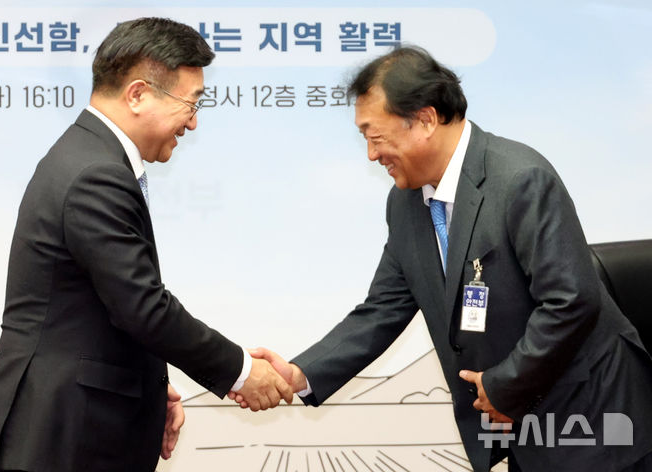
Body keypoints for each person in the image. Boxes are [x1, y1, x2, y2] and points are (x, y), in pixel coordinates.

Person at [234, 46, 652, 471]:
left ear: (426, 120)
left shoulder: (519, 180)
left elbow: (571, 300)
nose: (371, 155)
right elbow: (382, 310)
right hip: (521, 421)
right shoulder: (406, 203)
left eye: (375, 137)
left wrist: (504, 385)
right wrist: (300, 373)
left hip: (593, 415)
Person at [0, 17, 292, 472]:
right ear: (137, 95)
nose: (193, 122)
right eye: (190, 103)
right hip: (56, 438)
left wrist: (149, 389)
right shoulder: (97, 174)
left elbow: (93, 309)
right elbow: (143, 307)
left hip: (57, 430)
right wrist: (240, 370)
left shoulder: (86, 156)